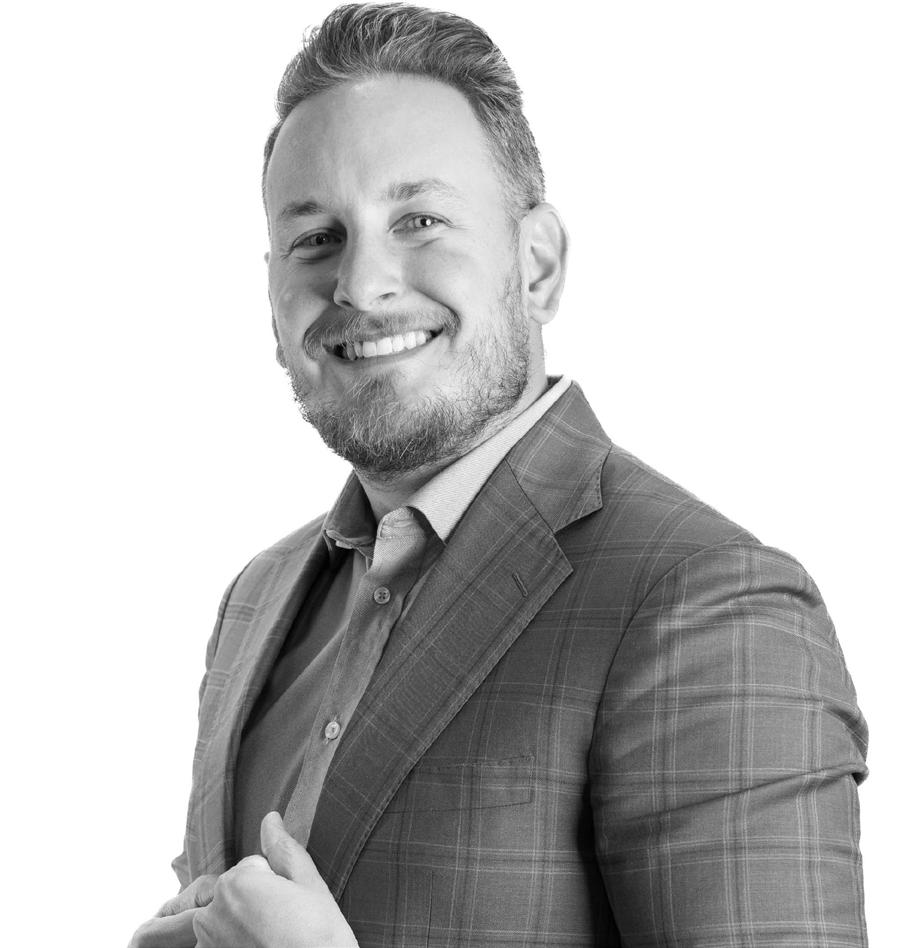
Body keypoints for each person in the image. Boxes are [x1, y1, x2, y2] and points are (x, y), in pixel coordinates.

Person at [129, 4, 869, 946]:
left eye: (420, 220)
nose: (361, 284)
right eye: (316, 238)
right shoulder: (257, 600)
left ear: (538, 266)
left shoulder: (707, 601)